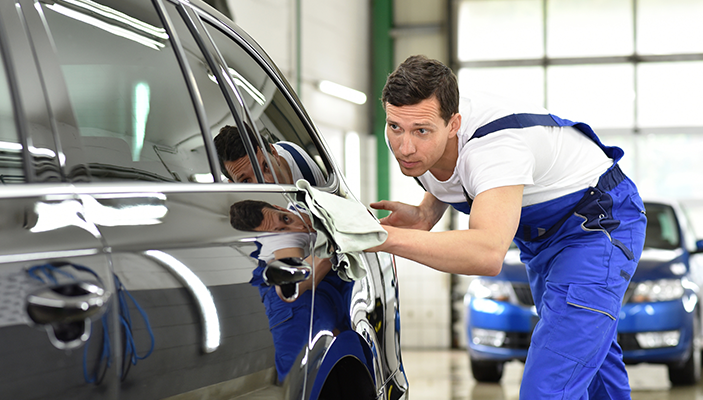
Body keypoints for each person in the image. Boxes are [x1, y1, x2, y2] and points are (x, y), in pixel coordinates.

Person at [368, 55, 646, 399]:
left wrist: (385, 237)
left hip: (597, 225)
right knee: (589, 358)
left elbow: (486, 253)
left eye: (421, 131)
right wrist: (426, 214)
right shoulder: (421, 141)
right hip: (543, 241)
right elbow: (456, 178)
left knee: (547, 387)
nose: (405, 147)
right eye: (394, 127)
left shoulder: (495, 145)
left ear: (453, 124)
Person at [228, 199, 351, 383]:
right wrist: (332, 248)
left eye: (285, 219)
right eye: (280, 229)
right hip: (289, 300)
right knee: (297, 380)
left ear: (279, 207)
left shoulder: (305, 206)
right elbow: (300, 282)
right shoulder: (282, 239)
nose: (298, 226)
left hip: (323, 291)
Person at [213, 124, 326, 186]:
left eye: (266, 166)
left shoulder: (300, 162)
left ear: (274, 153)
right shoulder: (232, 207)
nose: (264, 183)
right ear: (233, 185)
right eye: (246, 181)